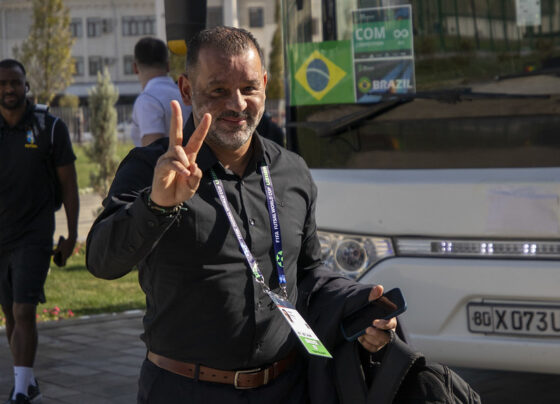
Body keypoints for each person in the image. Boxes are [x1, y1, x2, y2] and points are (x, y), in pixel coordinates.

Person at [86, 27, 396, 403]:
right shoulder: (151, 170)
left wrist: (360, 305)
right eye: (218, 91)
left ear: (264, 84)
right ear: (186, 90)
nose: (236, 104)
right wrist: (156, 205)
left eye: (249, 88)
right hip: (185, 390)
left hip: (287, 387)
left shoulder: (291, 171)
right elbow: (102, 261)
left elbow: (308, 274)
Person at [0, 59, 79, 404]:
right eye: (2, 83)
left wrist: (72, 234)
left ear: (26, 86)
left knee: (23, 309)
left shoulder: (50, 127)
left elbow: (70, 185)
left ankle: (19, 391)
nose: (8, 89)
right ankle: (28, 381)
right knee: (9, 313)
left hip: (34, 233)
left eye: (15, 83)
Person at [130, 36, 191, 147]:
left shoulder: (147, 101)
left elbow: (151, 152)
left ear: (135, 67)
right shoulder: (185, 94)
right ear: (168, 66)